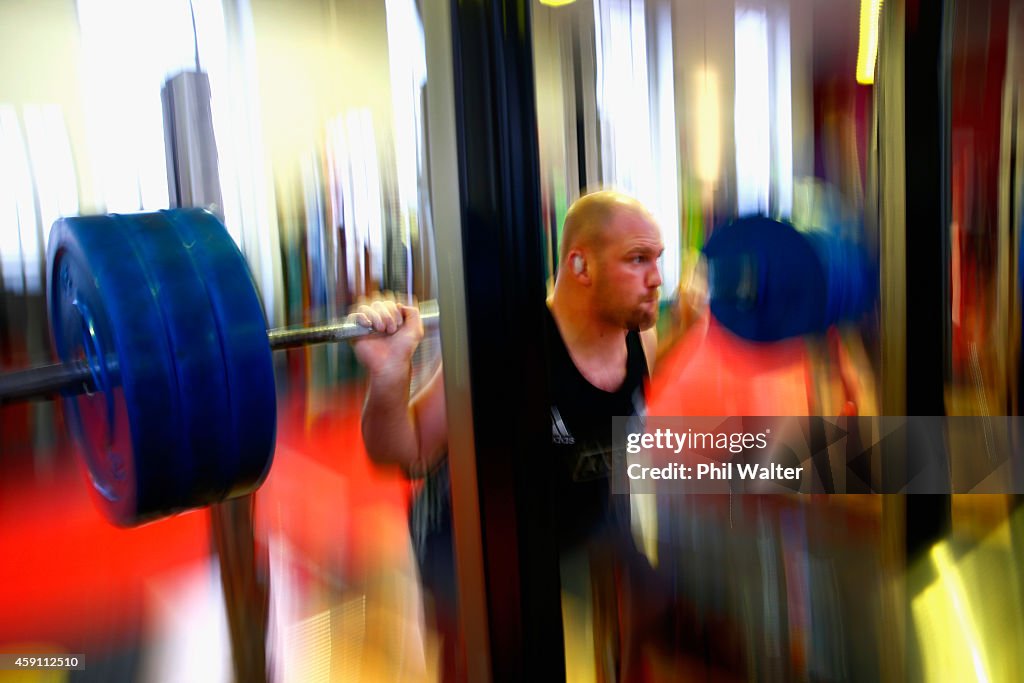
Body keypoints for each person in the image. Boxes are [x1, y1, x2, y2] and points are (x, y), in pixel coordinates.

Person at [351, 190, 727, 678]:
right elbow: (403, 451)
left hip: (582, 515)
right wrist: (387, 375)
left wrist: (691, 329)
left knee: (648, 599)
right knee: (481, 656)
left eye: (657, 259)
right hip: (472, 535)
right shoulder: (506, 349)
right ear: (580, 266)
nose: (658, 278)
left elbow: (629, 387)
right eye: (637, 260)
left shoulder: (643, 337)